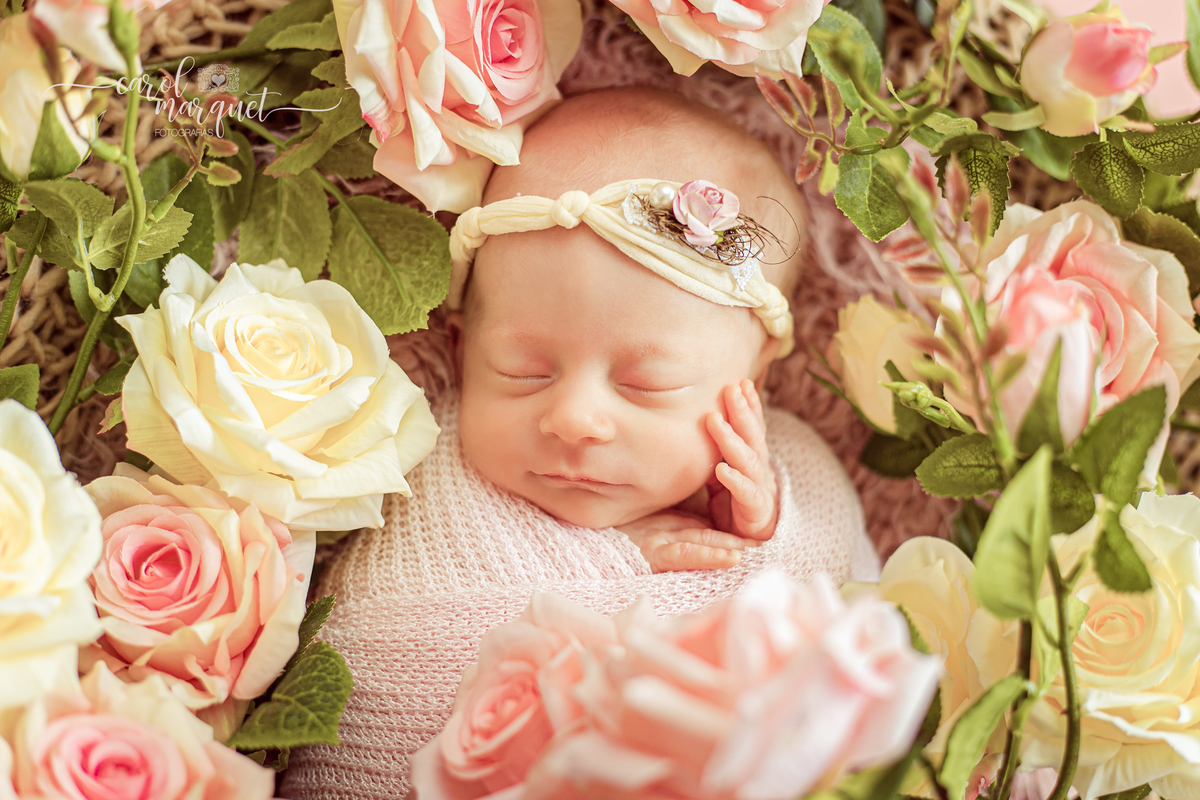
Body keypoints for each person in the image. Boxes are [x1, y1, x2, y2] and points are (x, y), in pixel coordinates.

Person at [281, 87, 878, 800]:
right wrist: (612, 556)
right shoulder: (424, 467)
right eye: (523, 372)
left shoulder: (795, 479)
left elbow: (840, 598)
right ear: (463, 348)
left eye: (646, 385)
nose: (575, 419)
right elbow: (381, 634)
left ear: (755, 377)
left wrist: (760, 537)